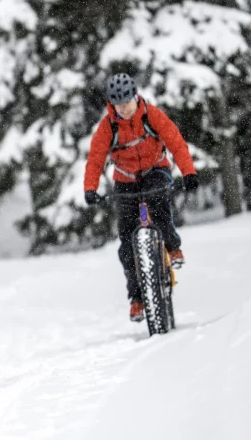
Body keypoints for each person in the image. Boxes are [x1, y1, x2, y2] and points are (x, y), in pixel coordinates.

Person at [83, 73, 198, 322]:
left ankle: (173, 247)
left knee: (159, 209)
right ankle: (136, 298)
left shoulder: (151, 115)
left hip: (155, 169)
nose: (123, 108)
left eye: (127, 101)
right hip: (125, 180)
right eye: (118, 103)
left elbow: (175, 142)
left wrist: (188, 172)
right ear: (111, 103)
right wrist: (90, 188)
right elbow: (95, 158)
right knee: (126, 240)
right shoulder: (108, 127)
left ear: (135, 96)